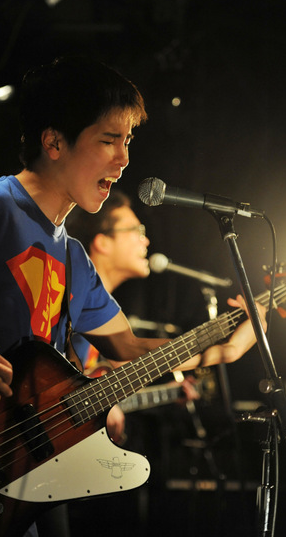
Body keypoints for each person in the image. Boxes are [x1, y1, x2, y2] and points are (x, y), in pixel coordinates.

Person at [0, 55, 265, 537]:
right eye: (109, 140)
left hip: (8, 485)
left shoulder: (74, 259)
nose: (124, 159)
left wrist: (227, 346)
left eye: (127, 142)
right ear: (54, 142)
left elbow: (130, 349)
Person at [66, 188, 199, 443]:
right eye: (137, 231)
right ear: (102, 242)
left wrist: (167, 393)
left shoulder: (102, 314)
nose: (146, 241)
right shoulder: (73, 296)